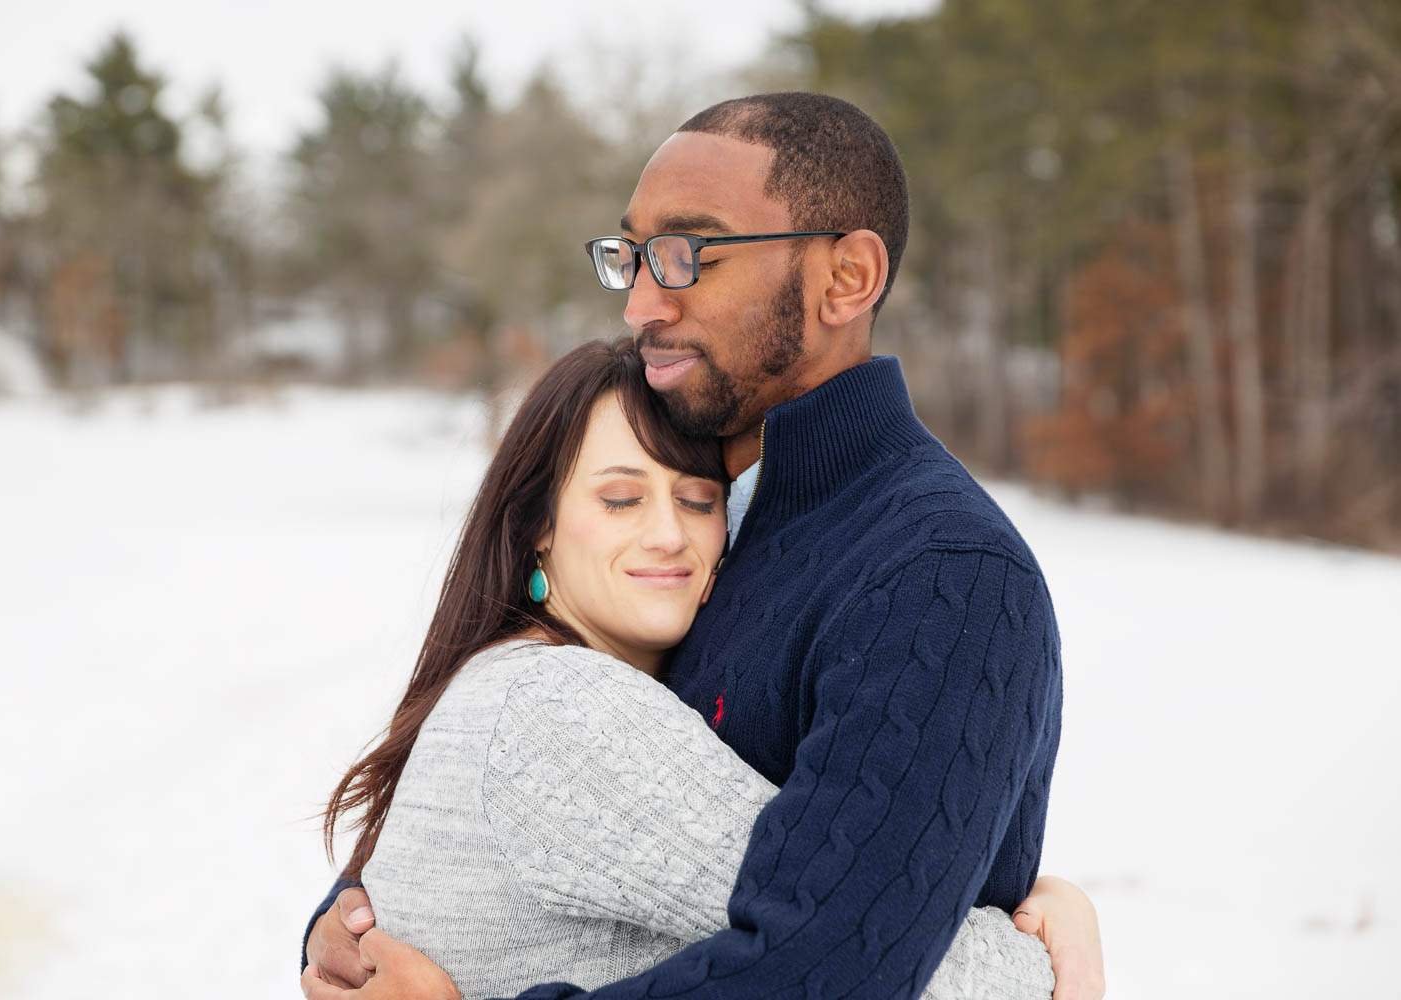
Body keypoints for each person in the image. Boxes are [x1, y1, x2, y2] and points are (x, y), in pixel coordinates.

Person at [303, 92, 1105, 1000]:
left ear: (847, 278)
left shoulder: (938, 576)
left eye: (689, 253)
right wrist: (363, 912)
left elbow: (827, 971)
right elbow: (557, 783)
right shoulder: (714, 520)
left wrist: (1031, 964)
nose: (644, 300)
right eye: (633, 255)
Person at [308, 337, 1076, 1000]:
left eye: (697, 500)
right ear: (537, 526)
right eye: (619, 499)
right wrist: (1044, 942)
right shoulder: (564, 709)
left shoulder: (503, 685)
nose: (668, 535)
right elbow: (872, 955)